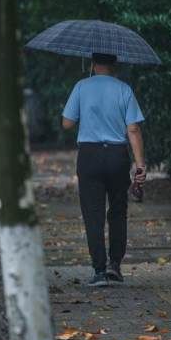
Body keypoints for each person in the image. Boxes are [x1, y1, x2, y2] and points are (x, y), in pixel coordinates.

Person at [62, 53, 146, 287]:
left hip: (89, 156)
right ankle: (115, 267)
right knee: (118, 211)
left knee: (93, 214)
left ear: (92, 64)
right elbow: (134, 130)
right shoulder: (124, 89)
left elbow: (67, 123)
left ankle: (99, 270)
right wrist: (140, 165)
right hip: (117, 156)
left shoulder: (81, 86)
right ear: (114, 65)